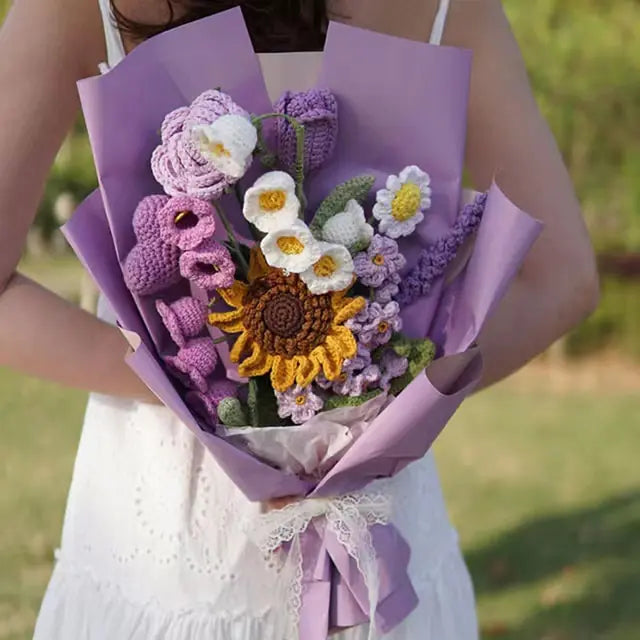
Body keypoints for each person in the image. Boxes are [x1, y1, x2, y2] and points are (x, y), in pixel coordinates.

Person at [0, 1, 599, 638]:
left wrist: (184, 382)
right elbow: (560, 281)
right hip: (371, 535)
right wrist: (382, 412)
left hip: (172, 565)